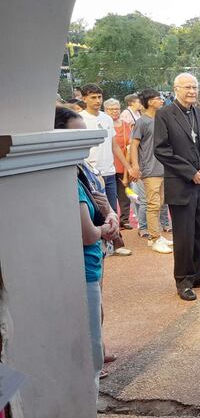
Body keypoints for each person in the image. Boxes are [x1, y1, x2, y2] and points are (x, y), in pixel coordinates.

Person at [56, 106, 119, 400]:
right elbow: (87, 233)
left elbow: (102, 203)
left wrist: (109, 215)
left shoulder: (80, 169)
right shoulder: (67, 176)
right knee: (89, 353)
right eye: (75, 136)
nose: (84, 143)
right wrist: (106, 228)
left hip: (91, 265)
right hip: (82, 269)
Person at [154, 72, 200, 301]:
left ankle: (198, 273)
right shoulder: (164, 114)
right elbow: (162, 150)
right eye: (187, 87)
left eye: (194, 87)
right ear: (176, 89)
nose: (192, 91)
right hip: (181, 185)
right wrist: (190, 172)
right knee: (184, 235)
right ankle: (183, 279)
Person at [80, 84, 133, 256]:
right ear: (84, 98)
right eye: (93, 97)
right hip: (90, 173)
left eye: (99, 97)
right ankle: (100, 245)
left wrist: (128, 166)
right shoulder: (80, 119)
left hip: (109, 172)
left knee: (112, 210)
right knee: (94, 210)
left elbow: (114, 146)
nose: (96, 100)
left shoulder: (107, 119)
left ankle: (115, 243)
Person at [130, 89, 173, 254]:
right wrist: (135, 166)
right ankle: (154, 238)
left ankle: (157, 236)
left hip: (164, 168)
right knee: (153, 204)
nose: (161, 100)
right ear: (148, 101)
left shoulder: (162, 119)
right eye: (157, 98)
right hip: (150, 169)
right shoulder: (142, 122)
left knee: (160, 203)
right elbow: (134, 145)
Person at [104, 98, 135, 229]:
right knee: (109, 195)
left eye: (117, 109)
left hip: (123, 164)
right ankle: (112, 219)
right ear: (105, 110)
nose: (114, 111)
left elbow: (132, 143)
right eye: (111, 109)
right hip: (108, 164)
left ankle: (124, 219)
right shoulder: (103, 124)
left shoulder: (126, 124)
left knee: (124, 193)